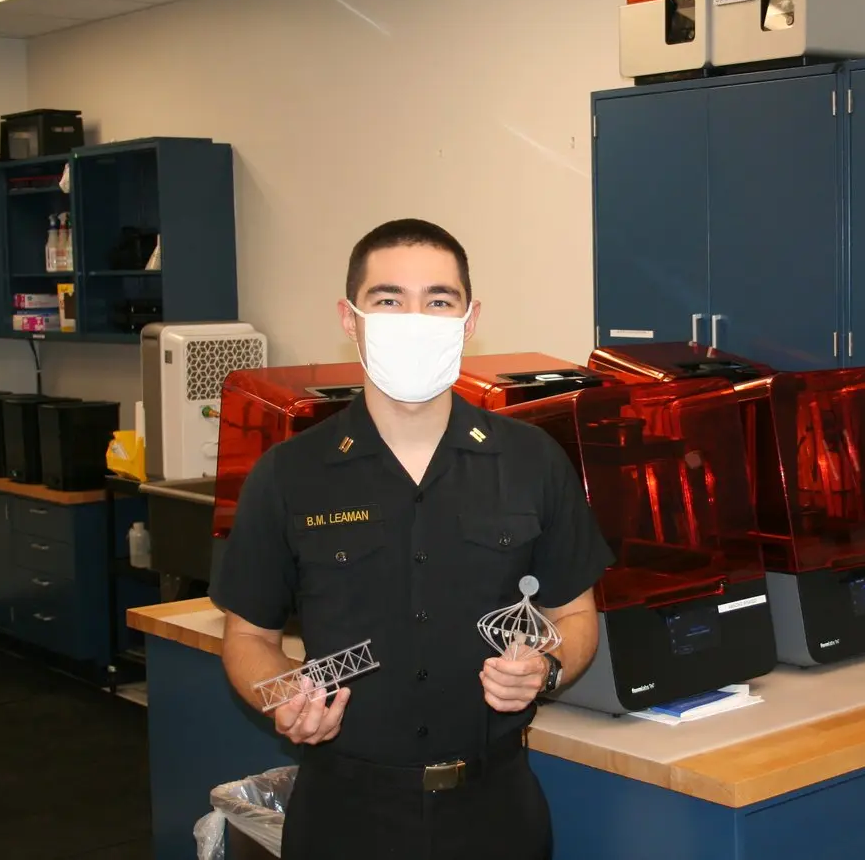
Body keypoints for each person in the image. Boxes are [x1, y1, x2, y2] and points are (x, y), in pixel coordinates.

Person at [210, 218, 613, 859]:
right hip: (344, 814)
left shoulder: (531, 460)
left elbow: (575, 613)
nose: (415, 317)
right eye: (389, 300)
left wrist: (548, 666)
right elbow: (249, 638)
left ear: (469, 318)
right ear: (351, 317)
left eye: (439, 301)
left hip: (495, 811)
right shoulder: (290, 473)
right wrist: (281, 689)